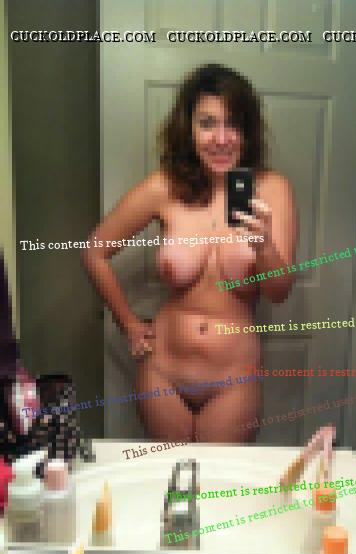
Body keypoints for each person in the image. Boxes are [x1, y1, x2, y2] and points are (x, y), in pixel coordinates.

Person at [83, 63, 298, 442]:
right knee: (168, 474)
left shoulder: (271, 189)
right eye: (207, 123)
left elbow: (279, 292)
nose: (221, 139)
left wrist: (264, 245)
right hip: (162, 373)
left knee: (218, 478)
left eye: (233, 124)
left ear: (247, 131)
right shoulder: (164, 188)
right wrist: (129, 323)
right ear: (188, 128)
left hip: (234, 379)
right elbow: (94, 252)